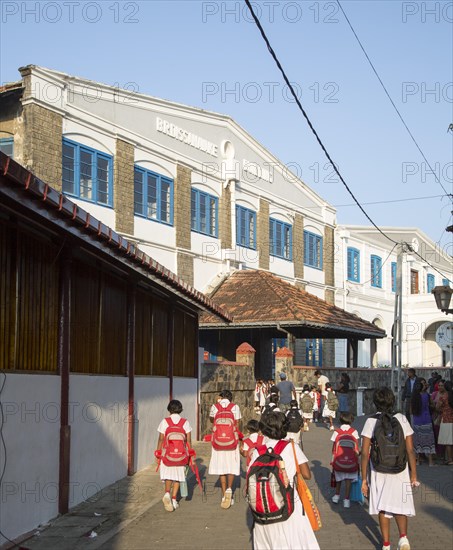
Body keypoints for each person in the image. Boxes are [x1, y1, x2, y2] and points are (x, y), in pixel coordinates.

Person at [249, 412, 320, 550]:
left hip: (264, 508)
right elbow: (307, 474)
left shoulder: (258, 451)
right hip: (289, 504)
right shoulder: (290, 447)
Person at [361, 387, 418, 550]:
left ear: (375, 403)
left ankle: (386, 544)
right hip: (400, 469)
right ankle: (403, 538)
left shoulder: (370, 421)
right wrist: (414, 474)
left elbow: (365, 453)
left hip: (379, 469)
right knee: (399, 503)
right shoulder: (401, 419)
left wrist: (364, 478)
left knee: (383, 505)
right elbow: (410, 450)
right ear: (392, 400)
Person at [155, 399, 192, 512]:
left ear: (169, 409)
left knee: (168, 476)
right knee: (178, 477)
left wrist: (158, 453)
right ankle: (175, 499)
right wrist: (190, 455)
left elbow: (161, 439)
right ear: (180, 409)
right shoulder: (185, 422)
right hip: (180, 455)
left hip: (167, 455)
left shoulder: (164, 422)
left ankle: (167, 494)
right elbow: (188, 441)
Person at [208, 389, 242, 509]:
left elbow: (212, 420)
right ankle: (229, 489)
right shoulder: (235, 407)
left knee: (221, 468)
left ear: (221, 397)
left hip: (218, 442)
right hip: (231, 441)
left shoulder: (215, 406)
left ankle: (223, 495)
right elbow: (237, 423)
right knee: (231, 466)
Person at [331, 411, 359, 508]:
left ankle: (337, 496)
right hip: (351, 461)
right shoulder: (354, 432)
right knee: (348, 480)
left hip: (339, 461)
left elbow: (334, 447)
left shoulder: (337, 432)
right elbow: (356, 447)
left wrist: (333, 459)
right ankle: (346, 500)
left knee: (338, 479)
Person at [410, 378, 436, 466]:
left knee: (417, 440)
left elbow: (411, 410)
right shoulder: (427, 395)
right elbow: (432, 405)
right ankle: (430, 462)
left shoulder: (414, 396)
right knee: (428, 440)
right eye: (424, 384)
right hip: (427, 419)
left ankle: (417, 461)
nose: (425, 385)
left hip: (417, 420)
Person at [436, 380, 453, 465]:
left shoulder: (444, 397)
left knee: (448, 442)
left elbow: (437, 407)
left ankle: (450, 459)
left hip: (446, 420)